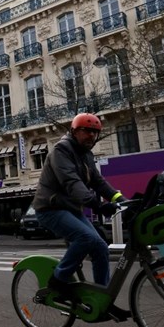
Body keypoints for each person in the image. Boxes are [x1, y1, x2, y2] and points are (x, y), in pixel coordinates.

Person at [31, 113, 127, 316]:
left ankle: (104, 299)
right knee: (86, 237)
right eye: (87, 131)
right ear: (74, 131)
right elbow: (71, 182)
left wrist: (120, 199)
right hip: (50, 208)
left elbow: (98, 182)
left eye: (95, 132)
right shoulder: (61, 150)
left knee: (100, 246)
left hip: (70, 209)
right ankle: (58, 280)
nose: (91, 136)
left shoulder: (86, 155)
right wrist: (97, 205)